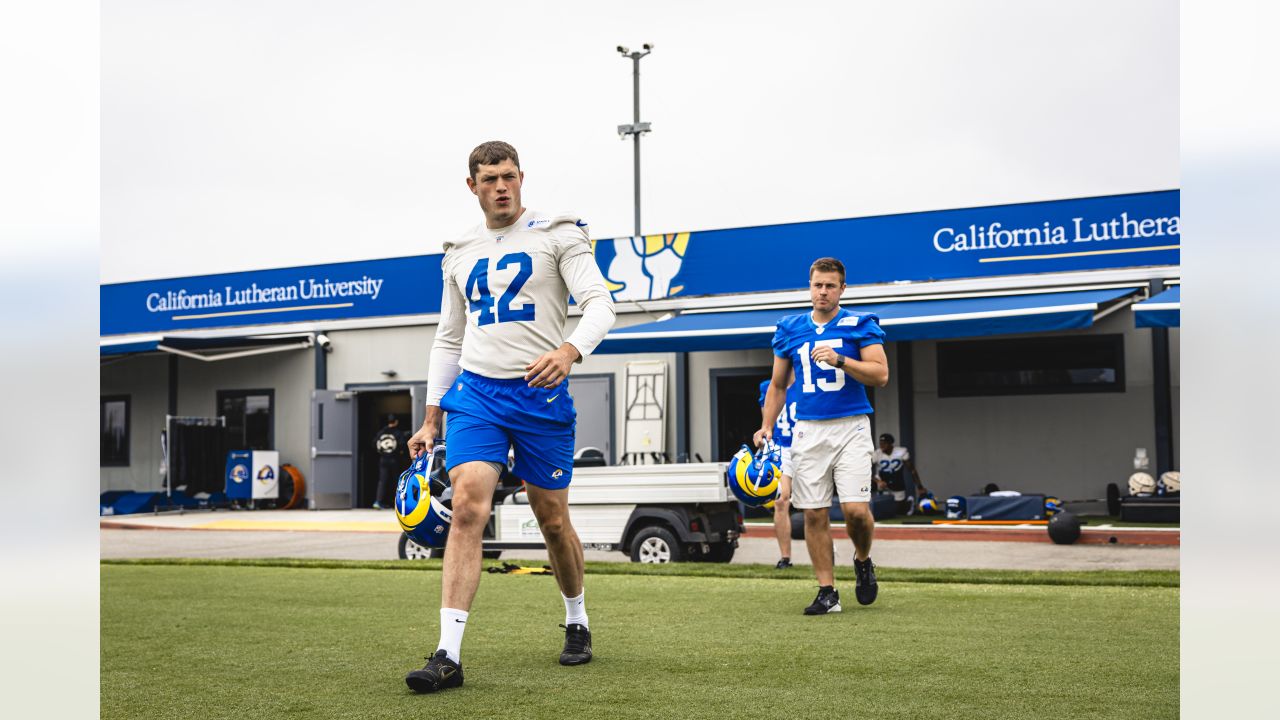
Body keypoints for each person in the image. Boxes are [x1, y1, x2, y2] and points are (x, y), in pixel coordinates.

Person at [403, 141, 616, 693]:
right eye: (489, 178)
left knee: (551, 521)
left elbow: (600, 303)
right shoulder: (458, 251)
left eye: (509, 176)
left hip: (539, 395)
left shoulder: (559, 233)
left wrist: (569, 352)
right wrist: (430, 418)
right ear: (471, 186)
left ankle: (576, 618)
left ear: (522, 177)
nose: (501, 186)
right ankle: (447, 654)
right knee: (469, 504)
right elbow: (449, 339)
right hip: (476, 393)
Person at [755, 257, 888, 615]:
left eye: (831, 286)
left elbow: (880, 374)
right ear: (809, 286)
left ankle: (862, 559)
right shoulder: (790, 328)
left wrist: (841, 360)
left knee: (856, 512)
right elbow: (779, 386)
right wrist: (767, 425)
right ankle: (827, 591)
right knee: (813, 514)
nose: (823, 292)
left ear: (842, 289)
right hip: (808, 429)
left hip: (851, 425)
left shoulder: (859, 325)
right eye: (818, 285)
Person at [758, 375, 801, 569]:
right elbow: (766, 423)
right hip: (781, 447)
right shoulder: (768, 386)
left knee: (813, 504)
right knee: (781, 500)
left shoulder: (806, 383)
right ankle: (785, 558)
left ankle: (826, 549)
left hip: (806, 445)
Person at [872, 433, 927, 515]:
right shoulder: (877, 454)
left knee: (898, 512)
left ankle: (909, 503)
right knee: (869, 484)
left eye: (884, 443)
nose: (882, 445)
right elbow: (866, 471)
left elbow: (912, 470)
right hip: (882, 480)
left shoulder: (900, 452)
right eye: (880, 443)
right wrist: (877, 481)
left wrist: (920, 487)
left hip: (896, 481)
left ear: (890, 444)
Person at [372, 414, 408, 509]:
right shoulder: (398, 433)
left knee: (382, 481)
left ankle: (378, 502)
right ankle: (398, 502)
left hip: (383, 459)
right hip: (394, 460)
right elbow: (403, 446)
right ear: (396, 422)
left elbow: (374, 444)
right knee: (396, 481)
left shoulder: (381, 432)